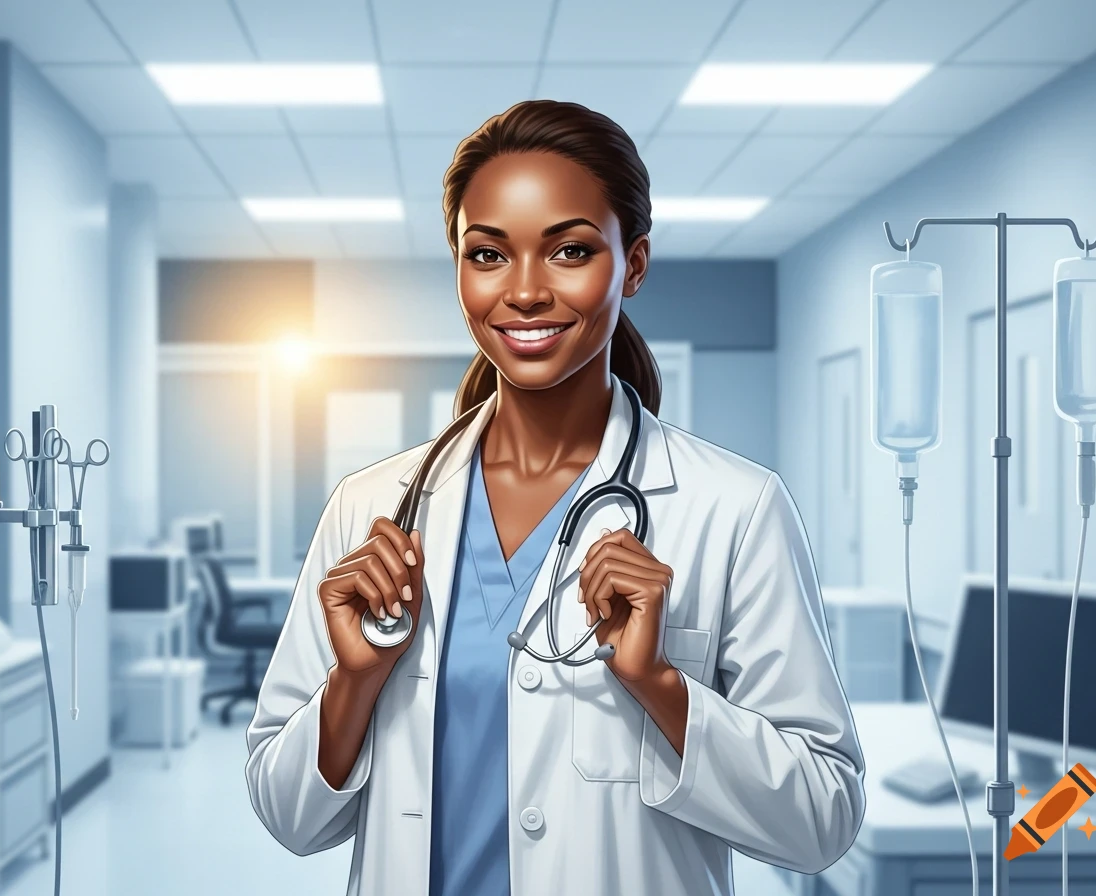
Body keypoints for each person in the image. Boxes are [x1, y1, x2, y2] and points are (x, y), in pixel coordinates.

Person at [246, 99, 865, 896]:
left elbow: (824, 818)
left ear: (633, 264)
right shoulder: (372, 507)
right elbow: (285, 811)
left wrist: (662, 686)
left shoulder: (734, 510)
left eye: (570, 250)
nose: (526, 292)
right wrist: (354, 683)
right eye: (489, 255)